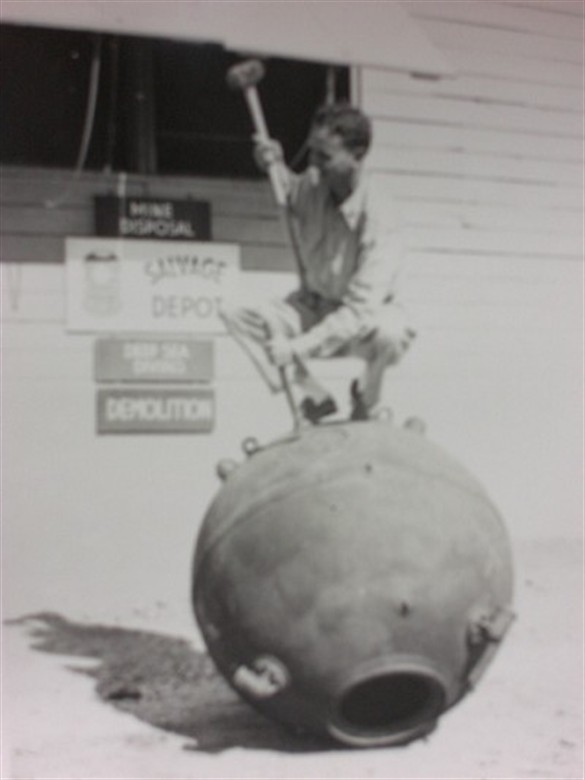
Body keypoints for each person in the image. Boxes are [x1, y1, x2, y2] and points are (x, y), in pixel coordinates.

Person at [220, 102, 416, 422]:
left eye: (325, 156)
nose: (313, 164)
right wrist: (273, 163)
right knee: (235, 312)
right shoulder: (314, 184)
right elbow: (287, 190)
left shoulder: (382, 216)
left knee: (390, 332)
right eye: (312, 151)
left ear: (357, 154)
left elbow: (359, 311)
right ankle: (314, 395)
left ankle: (366, 398)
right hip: (314, 308)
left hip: (362, 324)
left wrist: (297, 349)